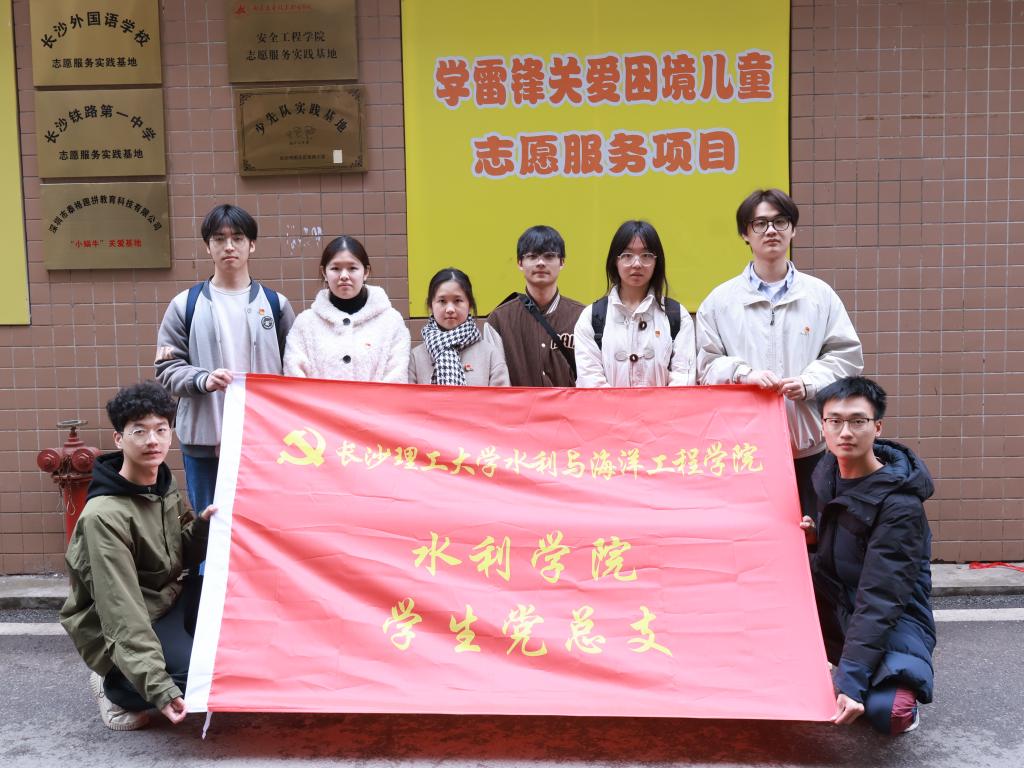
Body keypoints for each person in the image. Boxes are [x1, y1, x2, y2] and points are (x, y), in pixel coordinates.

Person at [696, 189, 862, 520]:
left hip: (809, 446)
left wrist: (809, 383)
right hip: (743, 449)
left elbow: (846, 356)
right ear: (745, 234)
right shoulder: (720, 301)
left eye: (780, 221)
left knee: (812, 534)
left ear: (793, 229)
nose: (771, 230)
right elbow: (705, 366)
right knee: (750, 534)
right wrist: (743, 374)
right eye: (760, 224)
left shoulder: (820, 296)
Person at [60, 381, 215, 730]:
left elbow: (178, 553)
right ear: (119, 439)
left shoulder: (161, 483)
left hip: (168, 598)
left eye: (161, 430)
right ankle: (115, 686)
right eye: (139, 431)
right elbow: (121, 611)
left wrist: (204, 527)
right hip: (132, 618)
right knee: (193, 681)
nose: (152, 440)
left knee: (233, 611)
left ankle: (147, 668)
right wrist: (158, 688)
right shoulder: (103, 518)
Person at [800, 376, 935, 735]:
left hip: (891, 617)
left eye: (858, 421)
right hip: (840, 602)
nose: (845, 432)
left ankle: (861, 674)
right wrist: (815, 538)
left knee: (888, 713)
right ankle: (839, 664)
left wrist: (851, 683)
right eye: (835, 421)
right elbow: (842, 549)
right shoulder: (827, 472)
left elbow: (880, 598)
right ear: (823, 426)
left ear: (877, 427)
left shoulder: (900, 506)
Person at [156, 204, 295, 515]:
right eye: (219, 239)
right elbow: (166, 368)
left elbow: (295, 370)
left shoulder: (276, 305)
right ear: (208, 246)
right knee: (210, 523)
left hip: (265, 440)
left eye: (238, 238)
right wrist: (201, 380)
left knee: (264, 520)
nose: (229, 246)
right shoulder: (185, 305)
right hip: (205, 440)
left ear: (252, 245)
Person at [573, 220, 695, 387]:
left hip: (665, 405)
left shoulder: (678, 316)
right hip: (606, 406)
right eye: (627, 255)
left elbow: (683, 380)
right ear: (615, 261)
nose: (637, 264)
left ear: (656, 262)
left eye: (646, 255)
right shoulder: (591, 317)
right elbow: (590, 380)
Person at [284, 235, 409, 381]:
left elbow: (396, 378)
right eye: (335, 268)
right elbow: (295, 378)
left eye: (352, 268)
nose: (344, 275)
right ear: (324, 272)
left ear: (366, 272)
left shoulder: (391, 322)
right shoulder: (305, 324)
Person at [483, 225, 584, 387]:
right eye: (532, 256)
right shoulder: (498, 321)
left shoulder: (582, 317)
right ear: (520, 263)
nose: (541, 263)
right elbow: (496, 384)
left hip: (569, 405)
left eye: (549, 256)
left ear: (562, 262)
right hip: (517, 405)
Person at [410, 268, 509, 386]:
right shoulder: (415, 357)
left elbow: (501, 396)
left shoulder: (490, 354)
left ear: (469, 304)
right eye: (442, 301)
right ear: (430, 305)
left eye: (457, 300)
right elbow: (407, 397)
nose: (450, 309)